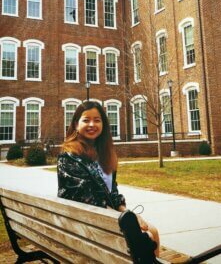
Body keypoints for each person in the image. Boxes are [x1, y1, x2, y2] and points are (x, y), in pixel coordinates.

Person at [57, 100, 160, 257]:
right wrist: (126, 219)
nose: (92, 124)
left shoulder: (103, 153)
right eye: (86, 120)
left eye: (97, 120)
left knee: (152, 231)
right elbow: (85, 200)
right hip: (85, 223)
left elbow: (112, 192)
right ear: (76, 125)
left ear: (103, 125)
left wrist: (128, 214)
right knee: (147, 238)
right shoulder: (70, 156)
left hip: (104, 218)